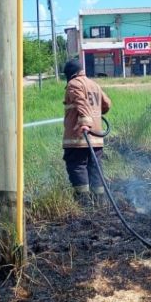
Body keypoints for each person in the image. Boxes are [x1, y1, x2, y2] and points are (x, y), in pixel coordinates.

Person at [62, 58, 111, 207]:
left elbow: (81, 102)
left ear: (70, 74)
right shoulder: (94, 84)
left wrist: (85, 121)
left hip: (79, 137)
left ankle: (84, 203)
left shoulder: (74, 83)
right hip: (96, 137)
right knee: (95, 166)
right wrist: (95, 114)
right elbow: (107, 104)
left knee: (77, 165)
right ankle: (99, 201)